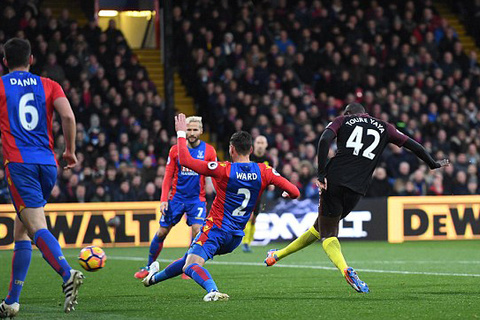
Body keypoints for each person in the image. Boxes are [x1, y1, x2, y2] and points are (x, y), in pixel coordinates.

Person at [264, 103, 449, 293]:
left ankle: (346, 269)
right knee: (320, 227)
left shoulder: (343, 120)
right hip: (358, 188)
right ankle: (276, 255)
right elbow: (413, 145)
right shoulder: (386, 127)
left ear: (349, 113)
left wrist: (320, 174)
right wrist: (432, 163)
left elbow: (324, 140)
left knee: (328, 234)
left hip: (334, 180)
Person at [142, 114, 300, 301]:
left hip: (215, 230)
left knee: (190, 266)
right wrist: (288, 194)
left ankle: (212, 291)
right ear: (250, 149)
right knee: (189, 258)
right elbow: (295, 191)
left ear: (231, 149)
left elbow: (184, 160)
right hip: (234, 238)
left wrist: (181, 133)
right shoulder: (264, 171)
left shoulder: (224, 169)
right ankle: (152, 279)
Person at [0, 38, 83, 318]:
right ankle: (11, 301)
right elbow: (68, 117)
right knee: (21, 228)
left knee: (35, 227)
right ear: (31, 59)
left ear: (4, 61)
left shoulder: (1, 86)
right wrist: (69, 151)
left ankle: (66, 273)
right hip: (48, 164)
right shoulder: (49, 85)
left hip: (20, 164)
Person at [134, 116, 217, 279]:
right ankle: (149, 265)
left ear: (201, 131)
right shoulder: (175, 150)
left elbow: (215, 176)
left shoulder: (209, 151)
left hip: (196, 199)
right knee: (162, 232)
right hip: (176, 199)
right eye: (189, 129)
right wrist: (164, 199)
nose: (191, 133)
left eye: (195, 130)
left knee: (197, 230)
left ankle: (189, 266)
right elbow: (168, 175)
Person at [242, 135, 273, 252]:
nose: (260, 145)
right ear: (254, 144)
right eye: (258, 142)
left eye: (262, 143)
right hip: (247, 190)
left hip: (260, 191)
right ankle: (245, 242)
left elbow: (271, 174)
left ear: (266, 145)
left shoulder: (268, 159)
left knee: (255, 218)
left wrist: (271, 184)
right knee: (249, 217)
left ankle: (249, 241)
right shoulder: (248, 156)